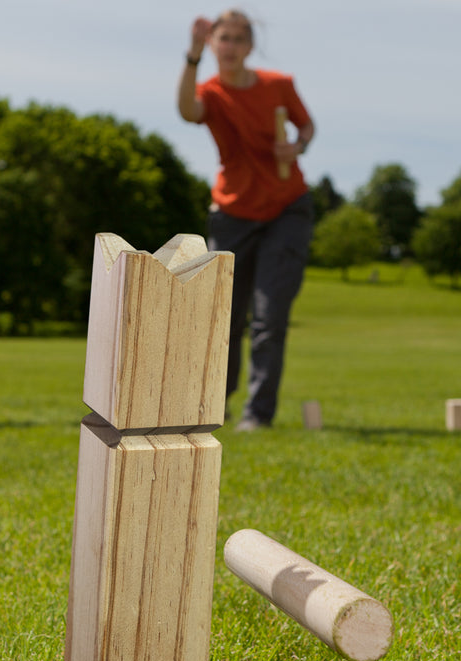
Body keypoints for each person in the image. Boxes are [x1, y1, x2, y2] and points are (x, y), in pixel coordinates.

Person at [178, 10, 315, 431]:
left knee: (269, 317)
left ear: (250, 45)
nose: (231, 45)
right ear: (214, 43)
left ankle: (258, 414)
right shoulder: (211, 93)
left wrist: (296, 147)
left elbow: (306, 128)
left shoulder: (279, 85)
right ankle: (215, 407)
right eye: (224, 38)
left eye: (239, 38)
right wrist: (192, 56)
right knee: (223, 318)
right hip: (233, 215)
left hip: (286, 210)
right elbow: (187, 111)